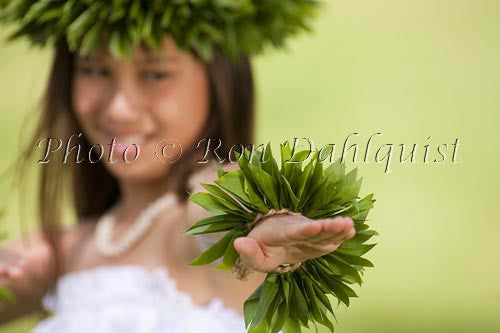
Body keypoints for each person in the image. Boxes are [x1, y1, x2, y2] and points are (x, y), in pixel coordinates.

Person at [0, 3, 356, 333]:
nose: (118, 108)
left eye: (154, 74)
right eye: (94, 70)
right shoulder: (56, 253)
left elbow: (218, 205)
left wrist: (260, 220)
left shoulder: (195, 220)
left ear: (219, 80)